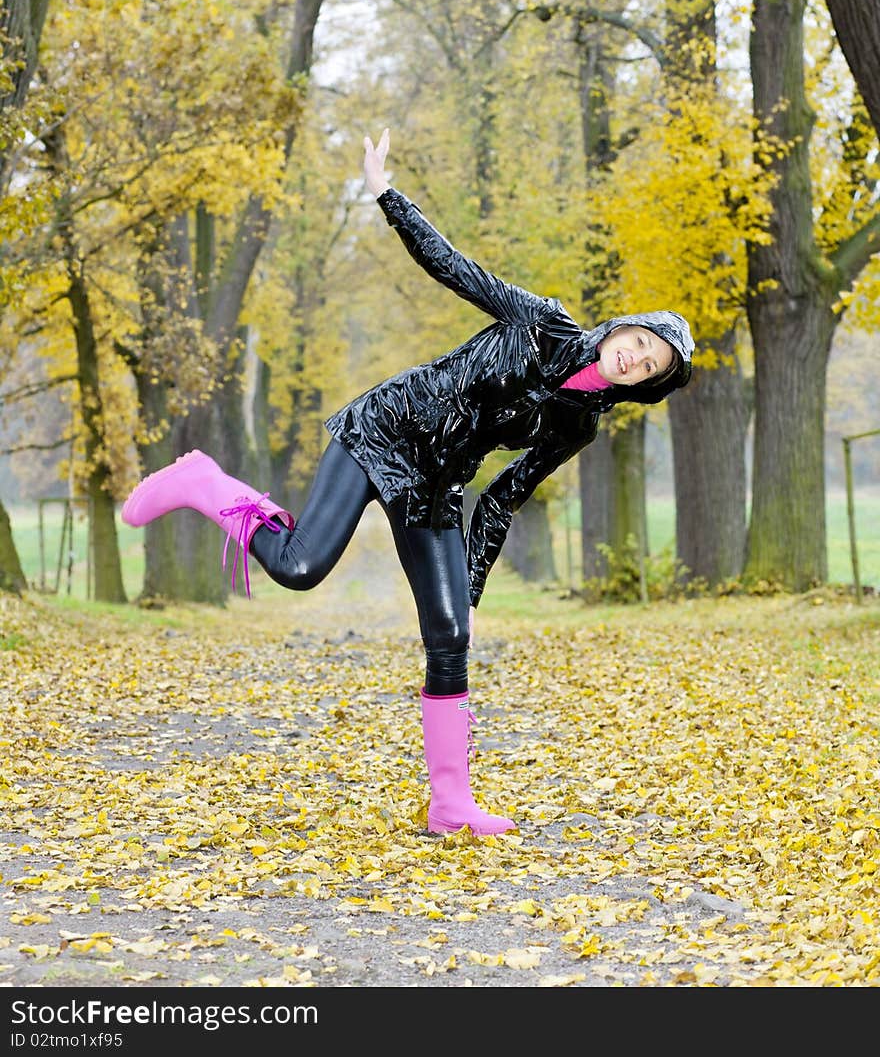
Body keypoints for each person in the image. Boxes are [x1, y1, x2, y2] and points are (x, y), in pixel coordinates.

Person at [122, 129, 694, 836]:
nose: (635, 359)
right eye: (639, 343)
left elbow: (504, 497)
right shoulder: (542, 322)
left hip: (438, 485)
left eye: (650, 366)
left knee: (451, 631)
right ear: (621, 330)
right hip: (385, 432)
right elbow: (456, 269)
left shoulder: (579, 425)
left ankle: (450, 804)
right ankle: (205, 482)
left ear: (646, 385)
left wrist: (470, 586)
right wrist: (387, 196)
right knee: (299, 567)